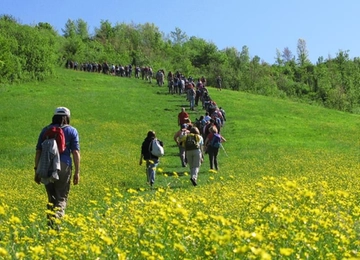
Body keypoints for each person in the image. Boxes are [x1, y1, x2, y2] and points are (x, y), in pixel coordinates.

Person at [34, 107, 80, 228]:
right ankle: (57, 225)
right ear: (68, 118)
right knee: (61, 198)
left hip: (47, 166)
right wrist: (77, 172)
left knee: (51, 198)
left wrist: (36, 170)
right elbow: (75, 152)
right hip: (64, 166)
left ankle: (50, 225)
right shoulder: (72, 131)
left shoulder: (45, 130)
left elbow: (38, 151)